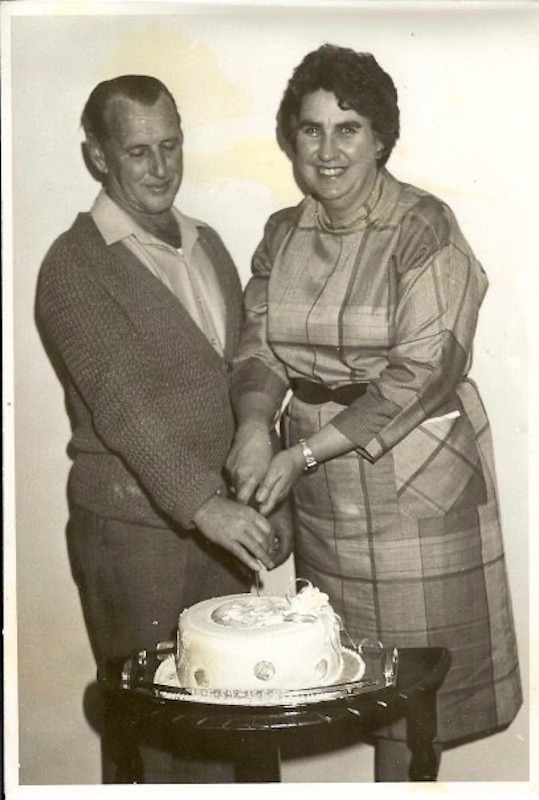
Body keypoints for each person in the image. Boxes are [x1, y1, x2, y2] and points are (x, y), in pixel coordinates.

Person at [226, 44, 522, 781]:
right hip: (323, 493)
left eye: (347, 128)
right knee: (352, 675)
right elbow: (256, 346)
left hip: (412, 482)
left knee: (412, 697)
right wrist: (254, 427)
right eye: (310, 129)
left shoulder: (423, 227)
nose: (326, 151)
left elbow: (424, 369)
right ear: (289, 137)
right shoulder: (279, 233)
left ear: (381, 137)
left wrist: (299, 454)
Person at [36, 74, 290, 784]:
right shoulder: (73, 267)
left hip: (222, 530)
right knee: (164, 749)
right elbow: (122, 408)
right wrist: (205, 506)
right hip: (133, 538)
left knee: (243, 725)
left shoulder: (206, 243)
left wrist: (262, 467)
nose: (160, 168)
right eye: (138, 151)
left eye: (170, 147)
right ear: (98, 156)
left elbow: (245, 366)